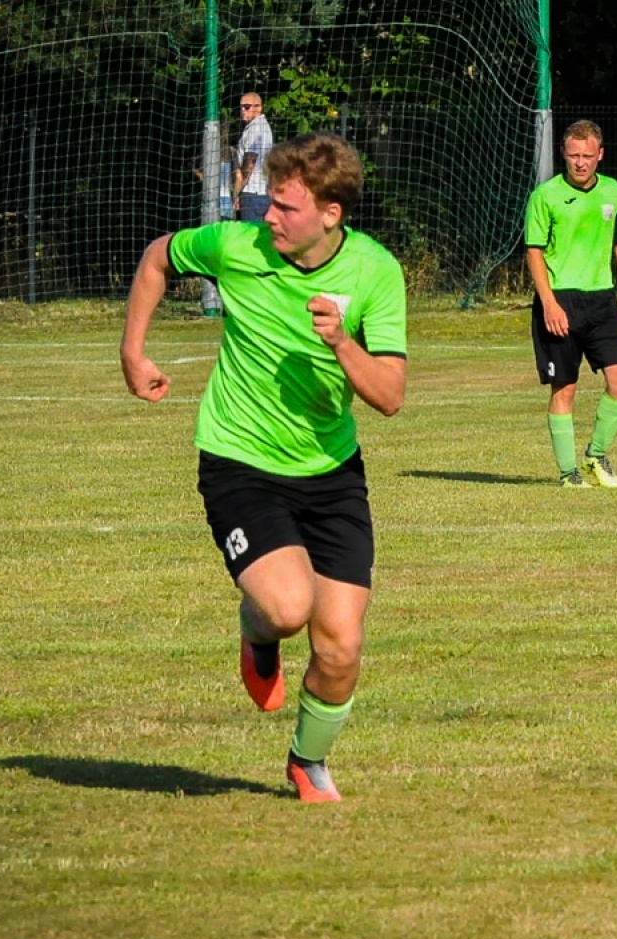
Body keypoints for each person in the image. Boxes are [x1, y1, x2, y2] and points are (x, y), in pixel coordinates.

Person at [119, 132, 408, 803]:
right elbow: (159, 256)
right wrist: (133, 350)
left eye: (284, 207)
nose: (267, 217)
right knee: (285, 607)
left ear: (331, 214)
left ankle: (307, 762)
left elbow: (390, 395)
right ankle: (258, 633)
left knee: (339, 648)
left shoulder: (374, 272)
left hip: (331, 471)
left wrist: (341, 342)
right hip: (238, 459)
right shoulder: (238, 246)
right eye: (268, 204)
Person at [524, 119, 617, 489]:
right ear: (564, 154)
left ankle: (595, 455)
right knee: (565, 388)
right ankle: (568, 474)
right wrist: (548, 303)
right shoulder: (545, 195)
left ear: (600, 155)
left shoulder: (613, 192)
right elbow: (534, 251)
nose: (580, 163)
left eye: (587, 156)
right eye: (574, 155)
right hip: (560, 300)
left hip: (603, 301)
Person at [233, 92, 274, 222]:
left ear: (259, 107)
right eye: (240, 107)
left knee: (251, 239)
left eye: (246, 107)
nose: (242, 111)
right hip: (260, 194)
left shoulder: (255, 129)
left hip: (253, 195)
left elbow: (248, 166)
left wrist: (236, 194)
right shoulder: (260, 126)